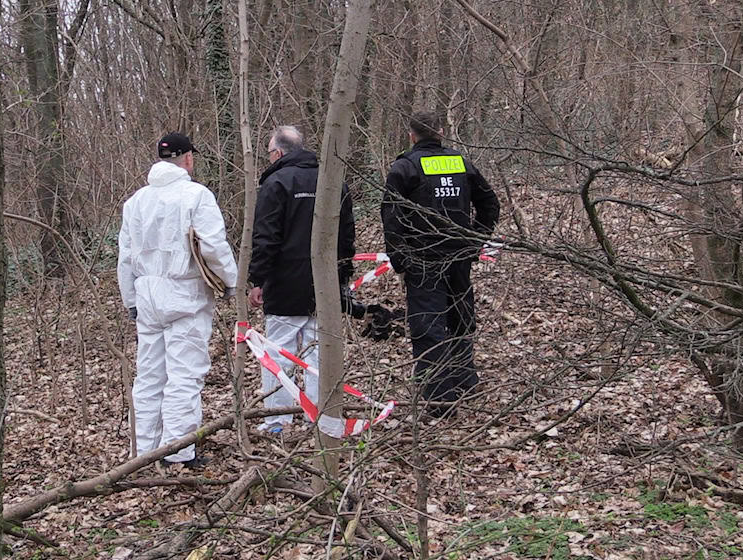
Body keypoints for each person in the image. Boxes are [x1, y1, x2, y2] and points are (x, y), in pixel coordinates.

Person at [117, 132, 238, 468]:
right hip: (185, 293)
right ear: (187, 159)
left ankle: (144, 450)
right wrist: (231, 281)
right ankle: (178, 453)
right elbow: (213, 245)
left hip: (146, 294)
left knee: (150, 375)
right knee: (184, 374)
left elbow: (125, 256)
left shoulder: (136, 202)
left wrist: (130, 299)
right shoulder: (196, 196)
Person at [381, 112, 500, 417]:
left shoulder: (404, 167)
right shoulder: (461, 163)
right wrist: (475, 241)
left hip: (424, 261)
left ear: (412, 136)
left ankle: (440, 401)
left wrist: (401, 259)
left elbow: (391, 218)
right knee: (460, 319)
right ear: (441, 132)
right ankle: (463, 381)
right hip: (458, 257)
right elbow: (490, 204)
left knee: (428, 326)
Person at [248, 125, 355, 433]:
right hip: (325, 282)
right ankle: (318, 418)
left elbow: (266, 236)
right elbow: (347, 235)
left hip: (284, 281)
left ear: (278, 153)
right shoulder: (332, 181)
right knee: (317, 351)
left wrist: (258, 279)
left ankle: (277, 420)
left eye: (269, 153)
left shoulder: (276, 182)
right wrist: (343, 276)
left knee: (278, 352)